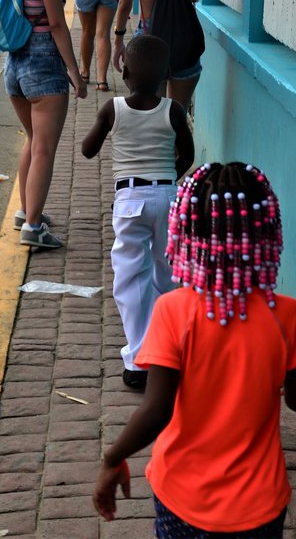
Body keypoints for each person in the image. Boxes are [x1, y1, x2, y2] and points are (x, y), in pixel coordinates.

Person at [93, 161, 296, 537]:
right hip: (260, 502)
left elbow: (156, 410)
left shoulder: (173, 311)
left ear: (186, 232)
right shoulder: (288, 315)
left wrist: (112, 458)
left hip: (182, 496)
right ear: (268, 232)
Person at [82, 34, 194, 388]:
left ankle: (140, 361)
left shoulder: (113, 108)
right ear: (165, 76)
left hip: (129, 199)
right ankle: (171, 352)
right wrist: (169, 179)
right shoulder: (173, 110)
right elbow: (187, 155)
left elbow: (87, 150)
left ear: (124, 71)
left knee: (131, 277)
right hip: (167, 197)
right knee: (169, 272)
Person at [4, 0, 87, 249]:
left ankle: (26, 211)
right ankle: (34, 228)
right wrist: (76, 72)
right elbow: (56, 24)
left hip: (15, 66)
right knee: (44, 150)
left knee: (32, 141)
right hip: (42, 66)